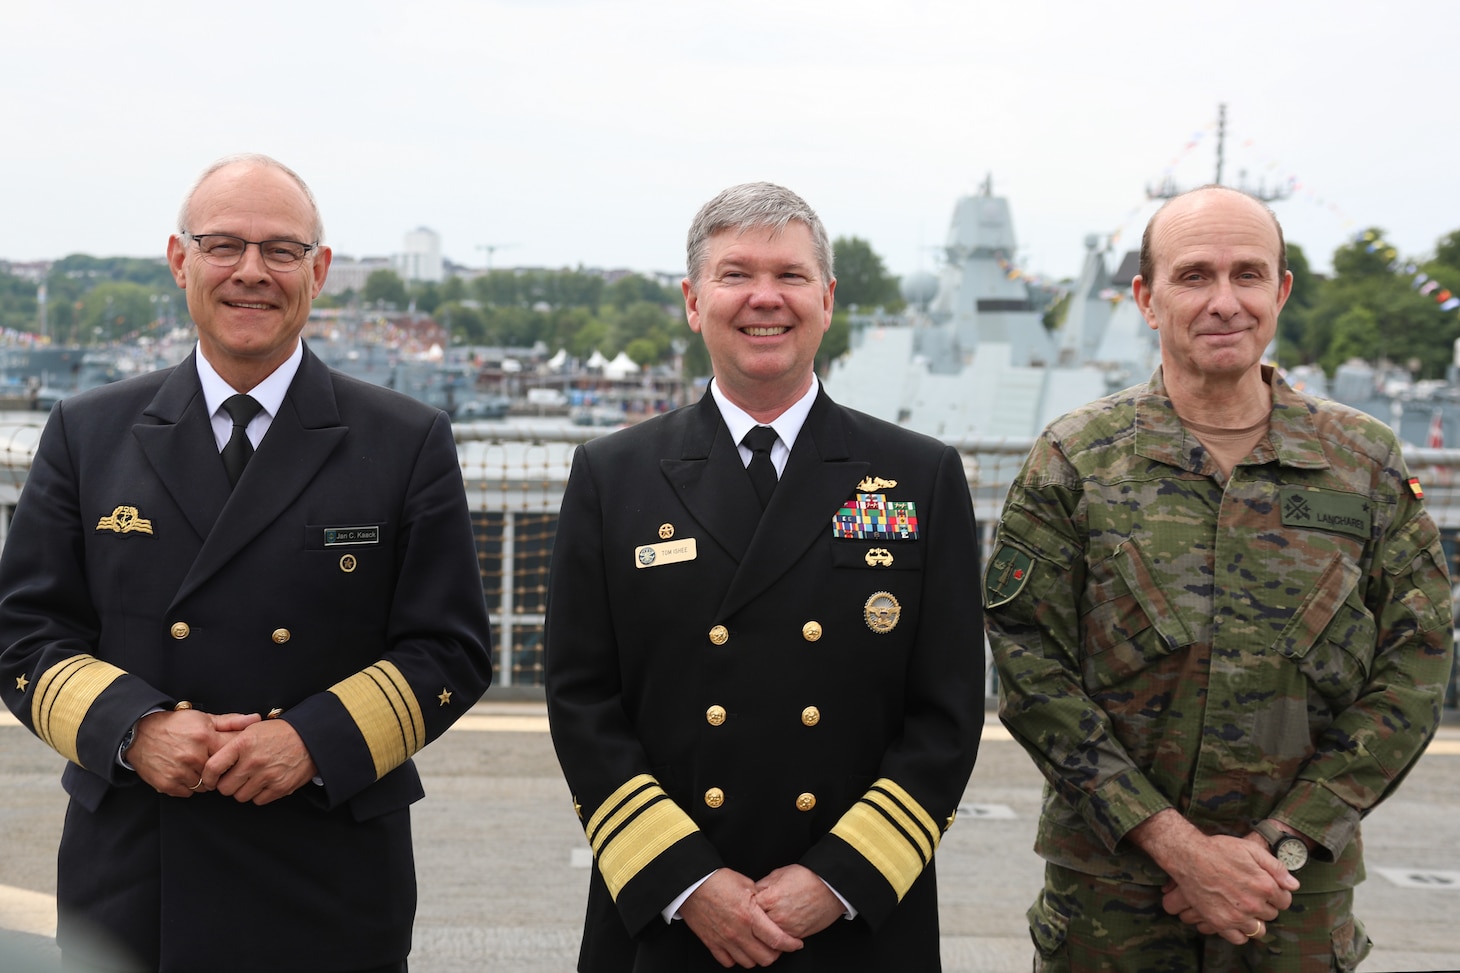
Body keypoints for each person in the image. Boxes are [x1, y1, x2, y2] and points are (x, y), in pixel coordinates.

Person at [0, 154, 494, 973]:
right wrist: (136, 729)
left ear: (320, 269)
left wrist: (311, 740)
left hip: (326, 864)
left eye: (282, 251)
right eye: (223, 245)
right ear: (179, 260)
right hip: (136, 863)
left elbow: (450, 650)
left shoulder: (405, 442)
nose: (251, 274)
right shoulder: (87, 432)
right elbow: (24, 634)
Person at [984, 184, 1454, 972]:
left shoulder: (1362, 462)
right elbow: (1031, 664)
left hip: (1292, 902)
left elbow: (1417, 661)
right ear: (1146, 296)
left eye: (1248, 274)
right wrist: (1172, 844)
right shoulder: (1076, 459)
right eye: (1195, 275)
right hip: (1113, 905)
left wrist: (1287, 839)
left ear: (1282, 290)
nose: (1224, 302)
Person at [544, 182, 984, 971]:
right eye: (736, 274)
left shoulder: (920, 476)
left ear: (827, 297)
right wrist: (690, 881)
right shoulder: (614, 475)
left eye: (788, 274)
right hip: (669, 914)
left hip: (856, 917)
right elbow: (582, 699)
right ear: (692, 299)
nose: (764, 299)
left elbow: (948, 712)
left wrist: (837, 878)